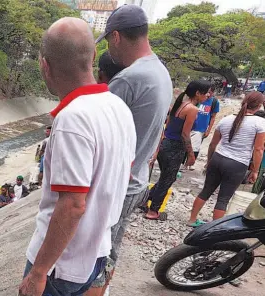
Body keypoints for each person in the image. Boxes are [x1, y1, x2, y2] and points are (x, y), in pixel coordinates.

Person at [19, 17, 136, 296]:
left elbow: (73, 204)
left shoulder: (73, 119)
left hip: (60, 267)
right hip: (95, 254)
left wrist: (38, 272)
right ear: (94, 55)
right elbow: (121, 178)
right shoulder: (118, 108)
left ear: (45, 65)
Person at [87, 5, 173, 294]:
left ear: (116, 36)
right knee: (110, 249)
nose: (111, 51)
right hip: (137, 179)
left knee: (94, 256)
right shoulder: (160, 71)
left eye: (109, 43)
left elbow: (95, 134)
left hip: (118, 186)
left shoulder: (128, 79)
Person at [188, 92, 265, 226]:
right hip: (237, 164)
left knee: (206, 190)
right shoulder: (259, 123)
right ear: (259, 106)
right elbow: (258, 149)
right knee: (223, 198)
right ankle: (214, 229)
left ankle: (192, 220)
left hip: (218, 158)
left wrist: (209, 161)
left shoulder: (227, 119)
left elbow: (213, 144)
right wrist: (255, 171)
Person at [145, 80, 211, 220]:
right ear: (198, 93)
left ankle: (145, 199)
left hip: (165, 144)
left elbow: (168, 126)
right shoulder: (192, 109)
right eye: (206, 93)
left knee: (166, 177)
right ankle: (153, 211)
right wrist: (191, 154)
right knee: (167, 179)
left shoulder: (180, 104)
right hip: (175, 147)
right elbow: (185, 134)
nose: (208, 96)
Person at [182, 87, 220, 170]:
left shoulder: (214, 102)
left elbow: (213, 117)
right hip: (190, 126)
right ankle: (182, 163)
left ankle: (190, 163)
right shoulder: (197, 100)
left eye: (211, 92)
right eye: (207, 92)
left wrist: (208, 130)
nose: (208, 95)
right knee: (185, 144)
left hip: (201, 128)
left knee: (195, 147)